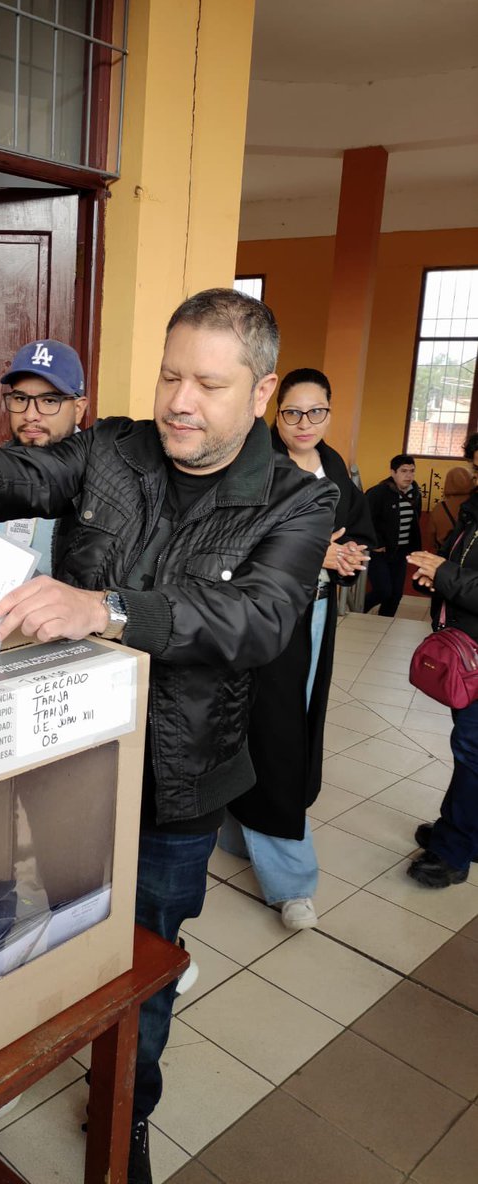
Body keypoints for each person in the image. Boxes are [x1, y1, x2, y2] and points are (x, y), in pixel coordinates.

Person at [0, 289, 337, 1184]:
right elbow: (30, 470)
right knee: (60, 920)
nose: (179, 402)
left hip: (176, 785)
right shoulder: (112, 448)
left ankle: (124, 1108)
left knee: (143, 963)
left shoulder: (298, 500)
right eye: (168, 375)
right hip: (68, 758)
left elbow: (260, 618)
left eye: (208, 385)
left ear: (261, 392)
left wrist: (104, 608)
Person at [221, 369, 373, 930]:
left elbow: (357, 533)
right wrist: (313, 554)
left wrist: (350, 557)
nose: (304, 423)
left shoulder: (334, 469)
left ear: (330, 412)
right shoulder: (254, 466)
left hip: (318, 616)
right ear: (274, 411)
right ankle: (291, 879)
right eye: (292, 412)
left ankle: (238, 829)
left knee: (294, 725)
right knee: (277, 734)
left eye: (317, 412)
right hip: (267, 617)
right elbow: (235, 544)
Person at [407, 432, 478, 887]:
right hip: (468, 644)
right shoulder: (472, 509)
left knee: (472, 751)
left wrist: (446, 573)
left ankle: (453, 851)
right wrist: (437, 576)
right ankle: (464, 832)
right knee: (470, 749)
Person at [0, 339, 89, 575]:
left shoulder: (102, 480)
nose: (30, 415)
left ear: (78, 409)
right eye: (20, 398)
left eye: (49, 401)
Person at [364, 453, 422, 616]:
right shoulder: (378, 492)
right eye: (403, 471)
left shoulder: (415, 493)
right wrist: (376, 543)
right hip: (379, 552)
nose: (408, 475)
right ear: (393, 472)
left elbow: (415, 520)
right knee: (383, 590)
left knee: (396, 595)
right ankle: (359, 611)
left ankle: (384, 621)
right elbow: (365, 519)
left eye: (412, 471)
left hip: (401, 552)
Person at [428, 461, 475, 551]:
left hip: (444, 554)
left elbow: (430, 538)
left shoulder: (439, 508)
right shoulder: (474, 504)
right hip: (469, 555)